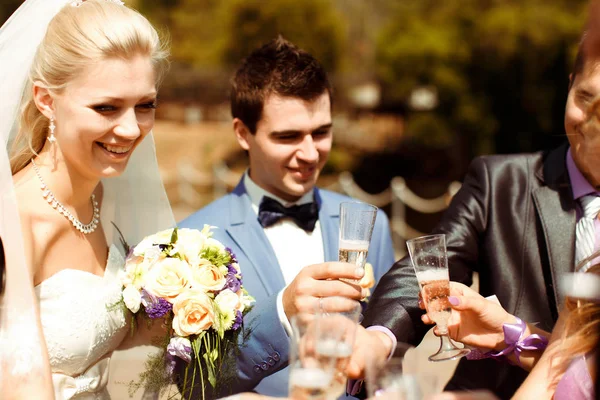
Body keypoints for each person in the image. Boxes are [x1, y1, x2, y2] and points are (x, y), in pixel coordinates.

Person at [349, 28, 600, 399]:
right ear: (568, 86)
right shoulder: (500, 181)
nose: (595, 124)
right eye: (586, 99)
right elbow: (429, 267)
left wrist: (512, 335)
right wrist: (378, 337)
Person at [179, 36, 395, 397]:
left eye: (321, 132)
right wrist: (282, 315)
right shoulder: (194, 240)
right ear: (243, 134)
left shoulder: (370, 222)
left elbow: (388, 344)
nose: (310, 153)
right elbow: (192, 382)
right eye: (288, 137)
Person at [0, 0, 176, 398]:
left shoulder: (107, 198)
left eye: (145, 105)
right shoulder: (13, 224)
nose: (131, 129)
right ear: (46, 100)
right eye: (106, 108)